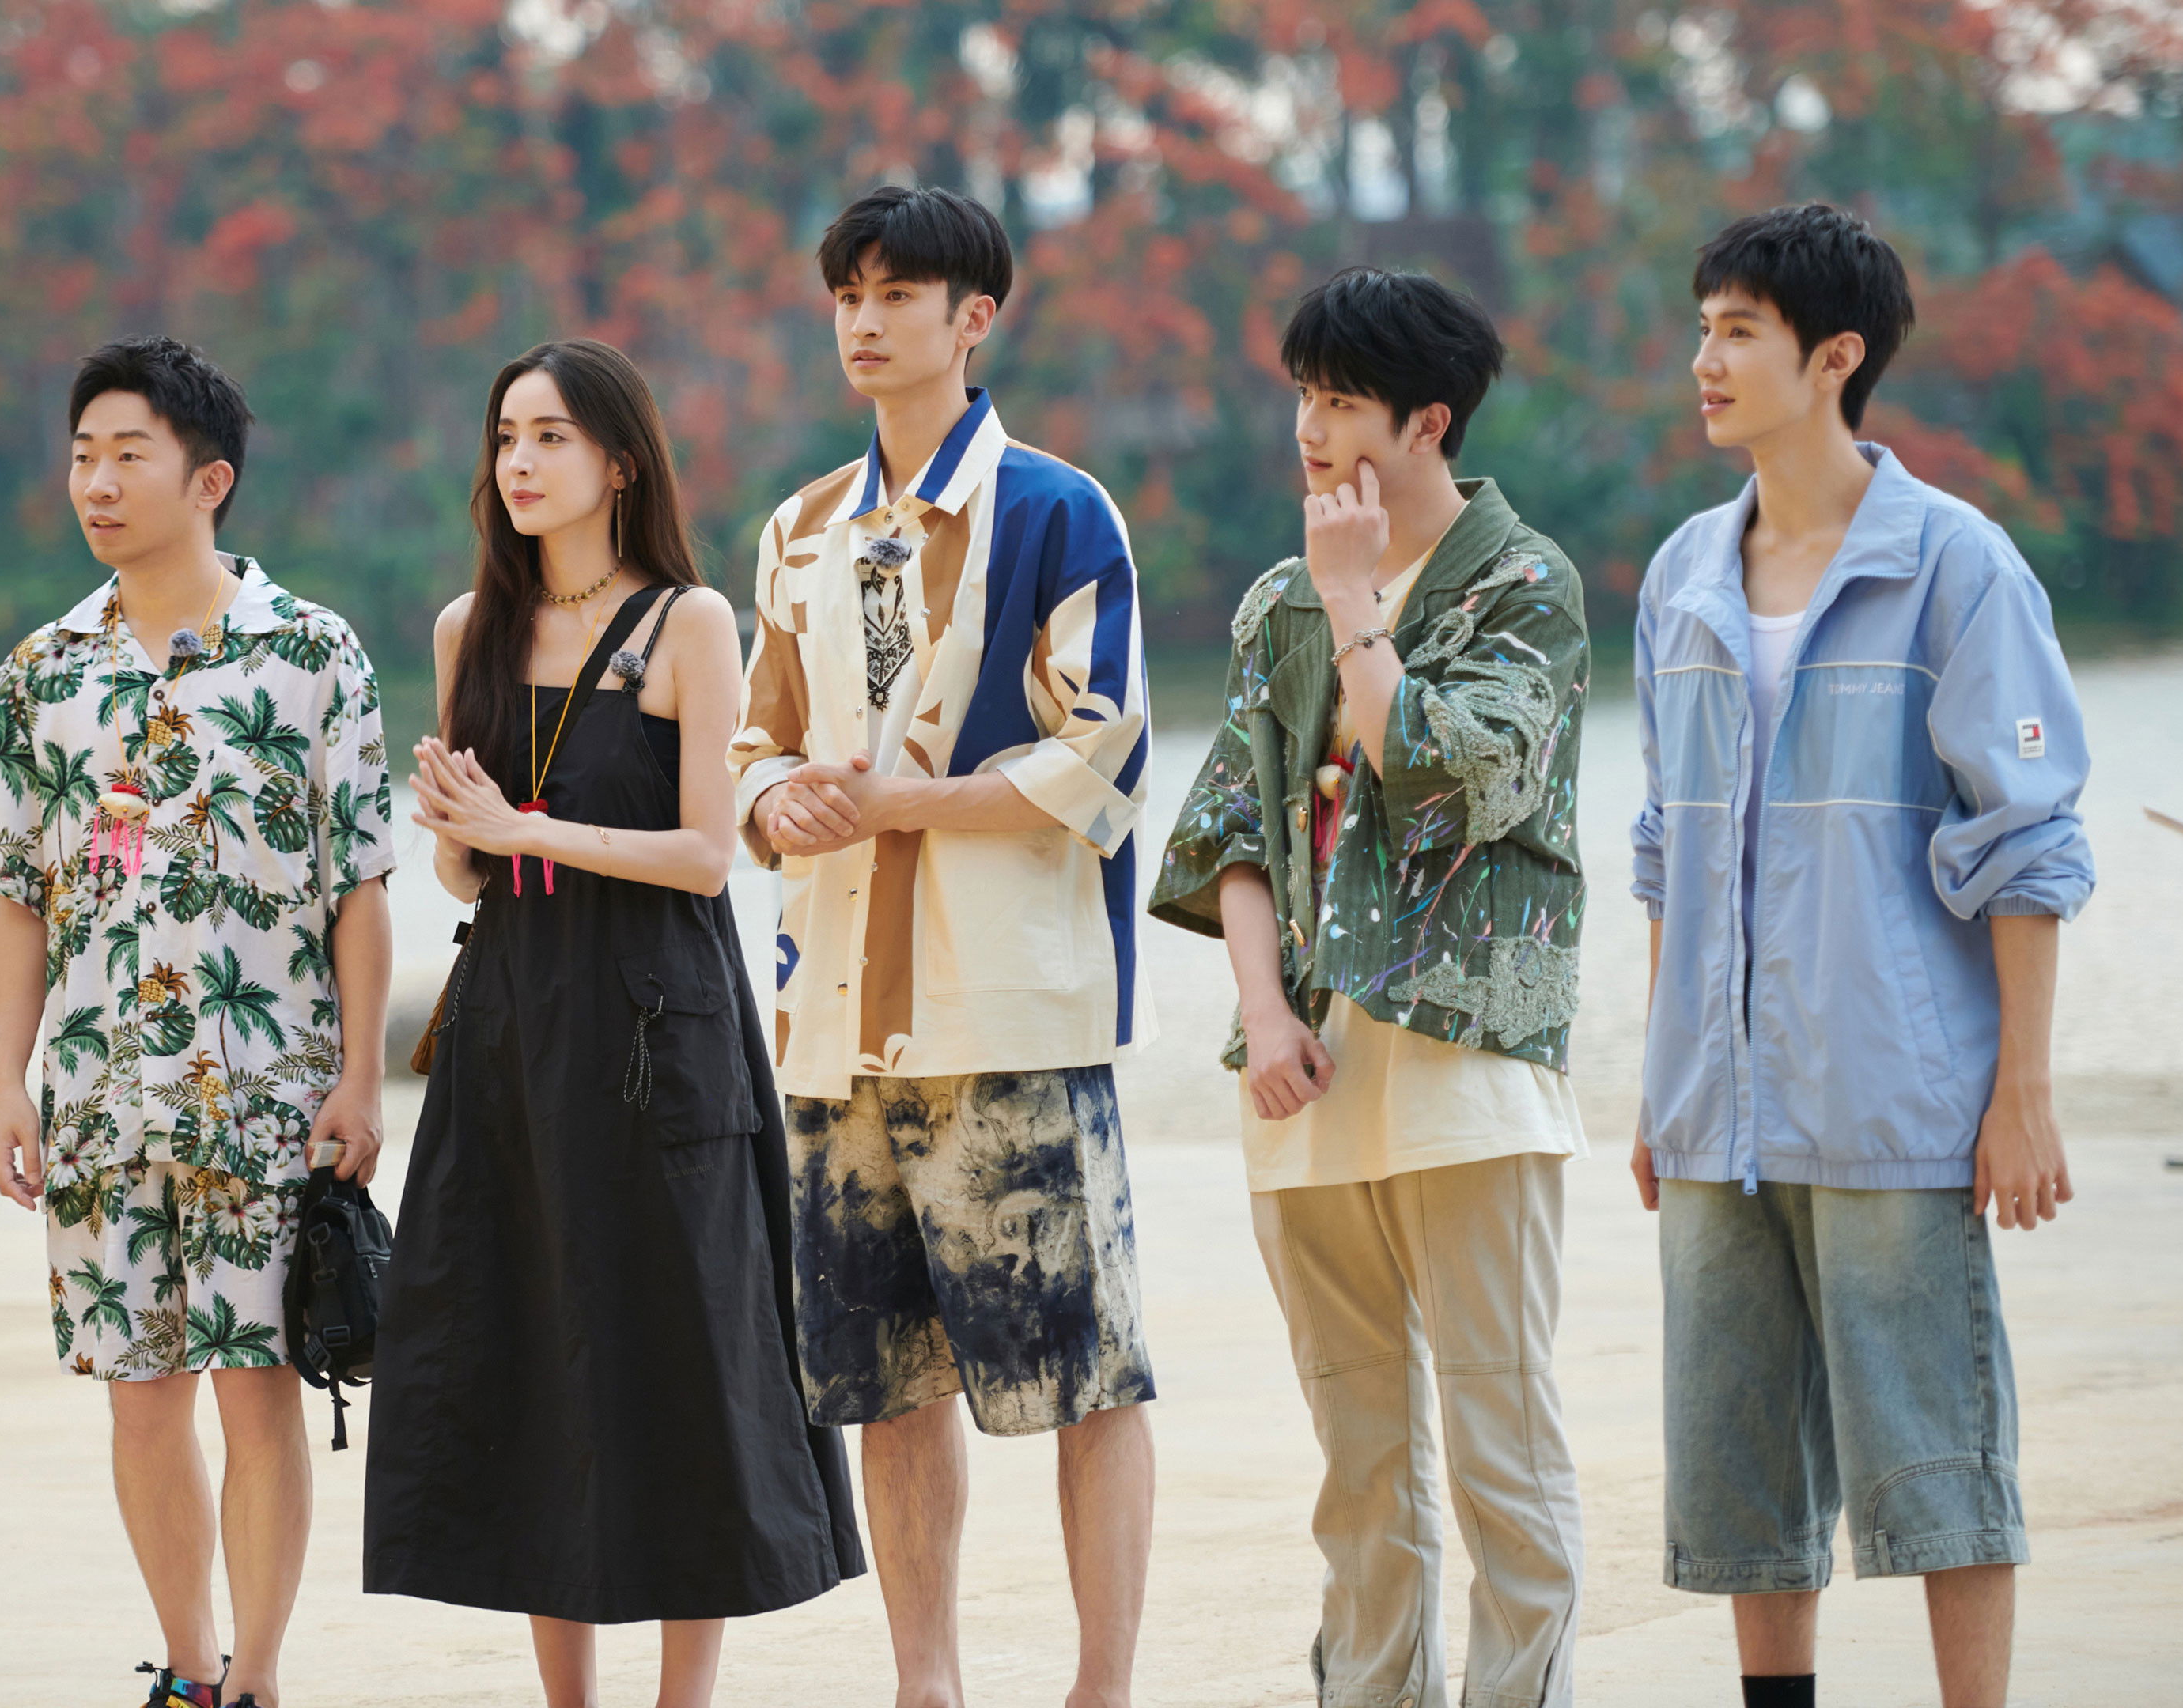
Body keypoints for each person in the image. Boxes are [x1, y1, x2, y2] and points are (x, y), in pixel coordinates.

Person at [1630, 203, 2094, 1708]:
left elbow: (2029, 847)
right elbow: (1667, 848)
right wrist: (1663, 1082)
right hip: (1717, 1112)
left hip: (1896, 1100)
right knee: (1743, 1482)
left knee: (1939, 1458)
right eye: (1703, 329)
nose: (1704, 361)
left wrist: (2021, 1095)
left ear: (1836, 358)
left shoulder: (1956, 566)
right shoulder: (1682, 576)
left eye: (1738, 333)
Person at [364, 337, 864, 1708]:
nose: (520, 463)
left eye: (551, 438)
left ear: (620, 462)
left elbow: (708, 855)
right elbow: (468, 877)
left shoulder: (687, 622)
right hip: (513, 1026)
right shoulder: (467, 629)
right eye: (506, 438)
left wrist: (523, 827)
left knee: (683, 1348)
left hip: (660, 1027)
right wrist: (458, 835)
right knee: (529, 1342)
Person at [732, 184, 1155, 1708]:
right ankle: (928, 1684)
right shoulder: (799, 530)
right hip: (834, 1016)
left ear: (976, 319)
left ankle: (1102, 1686)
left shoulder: (1057, 511)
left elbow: (1101, 749)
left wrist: (902, 801)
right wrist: (776, 798)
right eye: (849, 293)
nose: (864, 320)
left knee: (1087, 1374)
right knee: (885, 1386)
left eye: (898, 294)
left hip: (1006, 1014)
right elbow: (753, 745)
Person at [1149, 266, 1594, 1708]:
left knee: (1501, 1450)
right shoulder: (1277, 601)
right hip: (1307, 1077)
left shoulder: (1524, 586)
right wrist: (1263, 1013)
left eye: (1340, 400)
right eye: (1303, 394)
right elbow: (1230, 828)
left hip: (1468, 1076)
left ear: (1427, 422)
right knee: (1359, 1464)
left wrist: (1356, 604)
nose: (1309, 428)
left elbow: (1452, 774)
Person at [0, 335, 394, 1708]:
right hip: (100, 1098)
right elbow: (21, 898)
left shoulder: (311, 654)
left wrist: (362, 1081)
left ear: (208, 481)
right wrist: (7, 1083)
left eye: (127, 456)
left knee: (258, 1390)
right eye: (82, 456)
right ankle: (193, 1674)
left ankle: (258, 1678)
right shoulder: (42, 673)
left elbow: (359, 887)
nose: (96, 482)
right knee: (138, 1396)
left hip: (268, 1093)